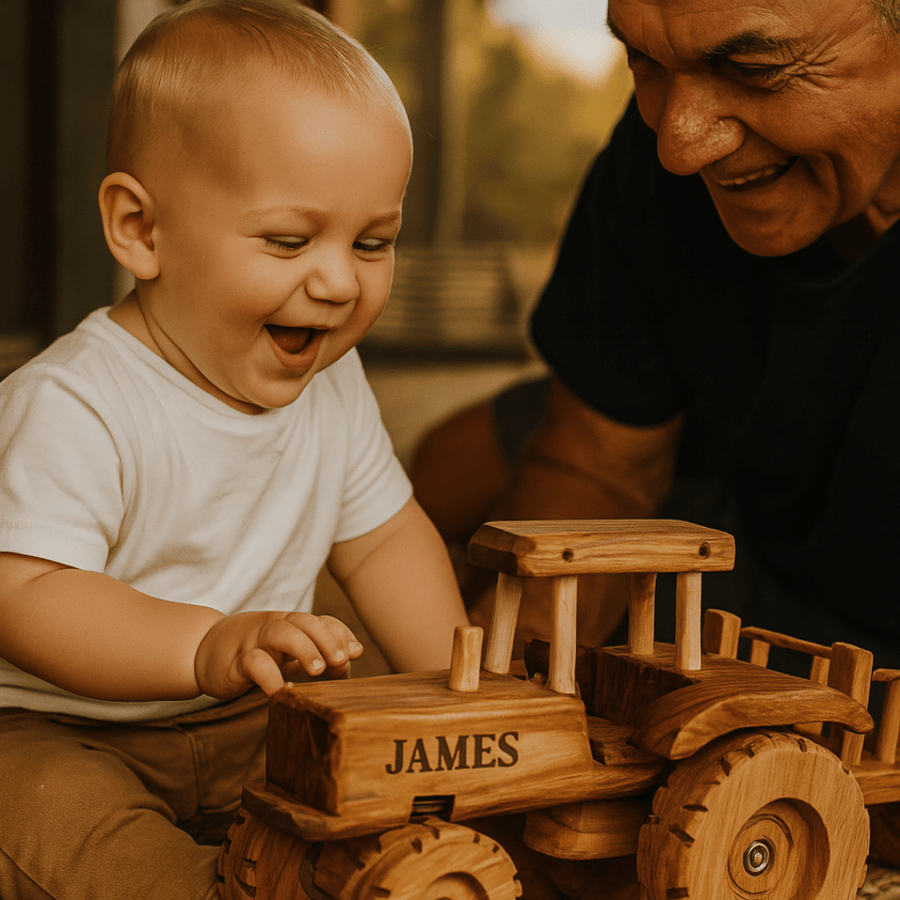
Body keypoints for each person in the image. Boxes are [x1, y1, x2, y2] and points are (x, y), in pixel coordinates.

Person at [0, 2, 469, 898]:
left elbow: (383, 538)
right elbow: (26, 595)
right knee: (55, 817)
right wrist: (203, 644)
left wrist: (459, 684)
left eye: (373, 243)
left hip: (254, 719)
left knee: (382, 772)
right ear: (141, 230)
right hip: (61, 730)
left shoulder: (332, 384)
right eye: (289, 241)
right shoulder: (75, 402)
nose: (339, 281)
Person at [412, 0, 900, 672]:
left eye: (754, 67)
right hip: (731, 457)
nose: (678, 146)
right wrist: (519, 683)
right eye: (643, 60)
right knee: (445, 471)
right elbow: (601, 464)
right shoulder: (658, 150)